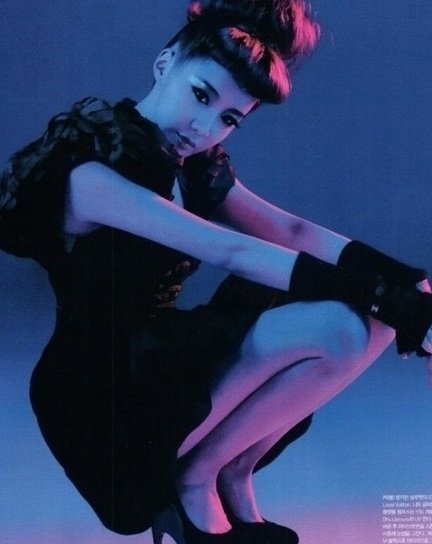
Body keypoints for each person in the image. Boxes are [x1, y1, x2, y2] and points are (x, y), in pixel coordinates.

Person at [1, 1, 432, 543]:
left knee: (370, 323)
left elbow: (293, 232)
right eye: (201, 96)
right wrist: (392, 298)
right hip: (101, 393)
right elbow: (231, 251)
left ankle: (223, 470)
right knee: (347, 320)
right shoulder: (90, 171)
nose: (204, 128)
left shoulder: (192, 168)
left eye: (229, 119)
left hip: (164, 355)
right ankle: (192, 480)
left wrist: (413, 285)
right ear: (165, 63)